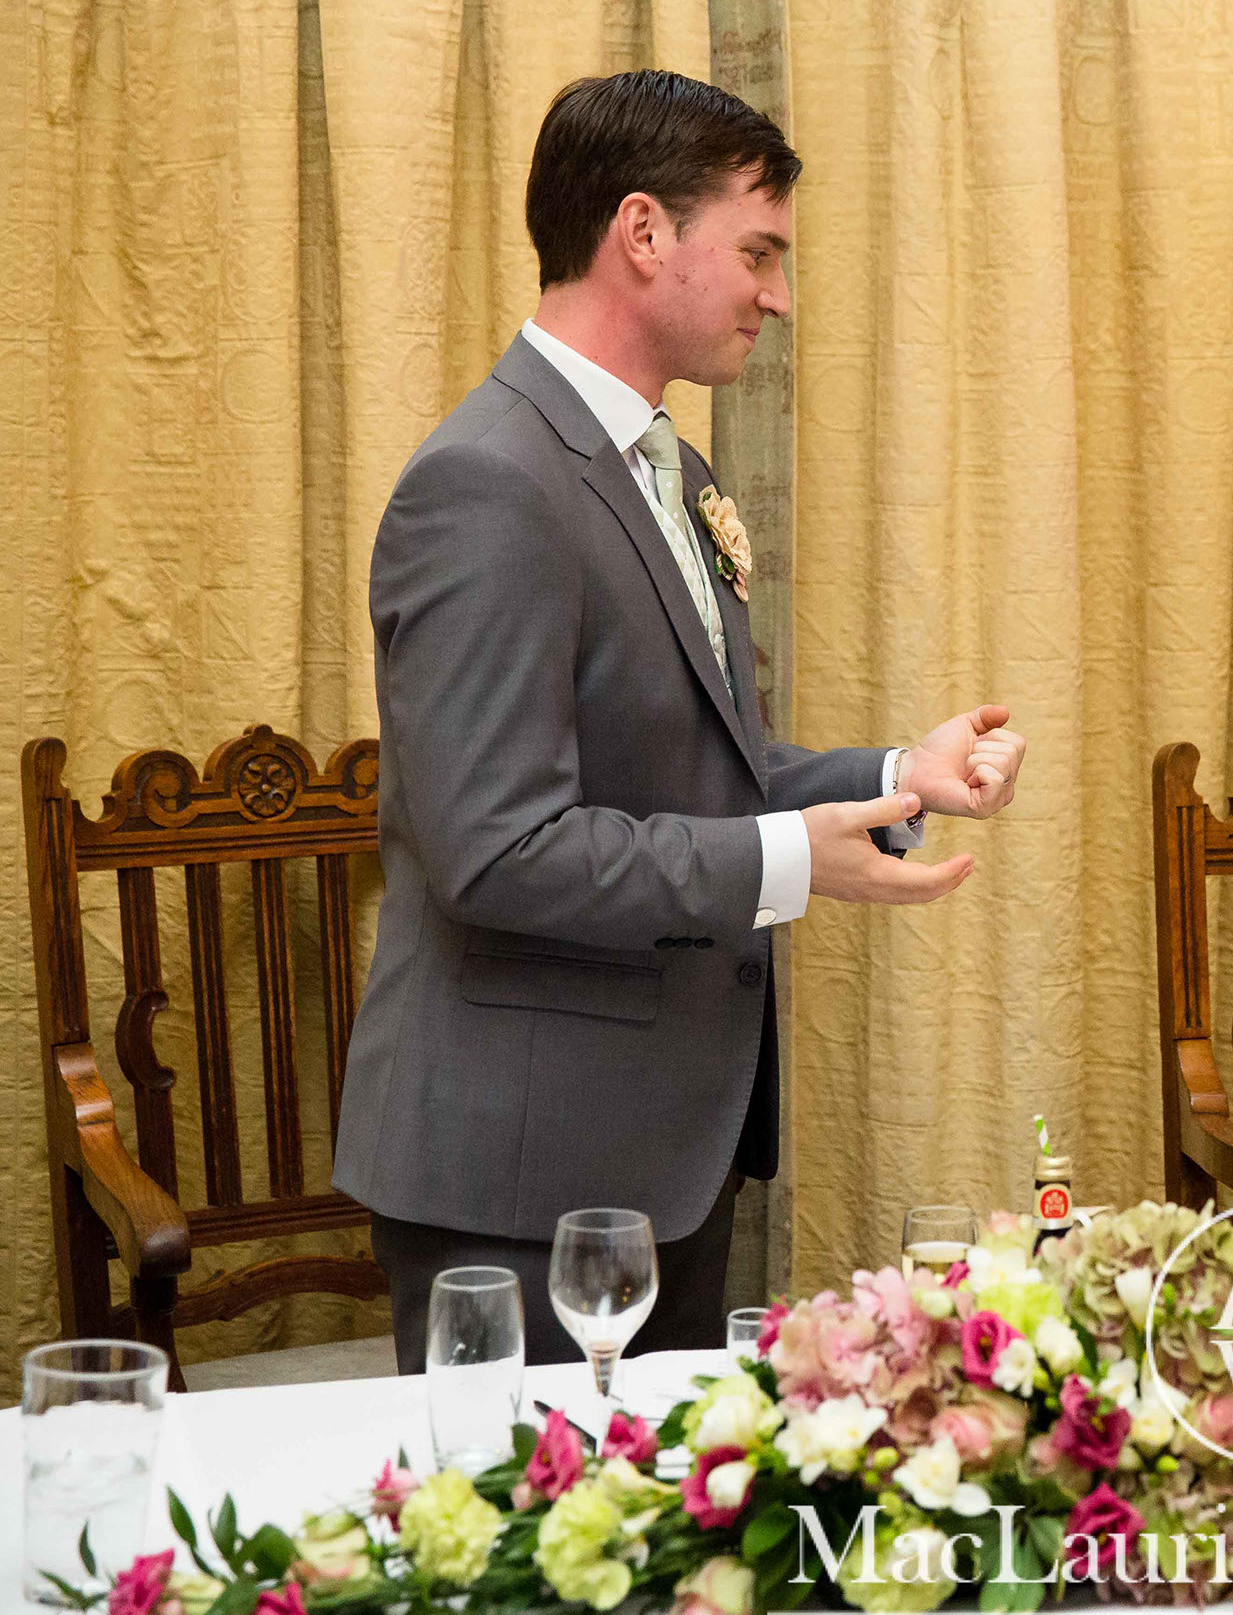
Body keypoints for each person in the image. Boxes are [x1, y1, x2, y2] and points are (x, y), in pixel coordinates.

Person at [334, 72, 1028, 1372]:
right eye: (758, 251)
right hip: (522, 1172)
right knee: (539, 1568)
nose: (779, 294)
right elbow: (495, 849)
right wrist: (782, 863)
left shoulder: (665, 468)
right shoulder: (488, 483)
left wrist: (895, 772)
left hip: (655, 1145)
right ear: (644, 233)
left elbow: (693, 762)